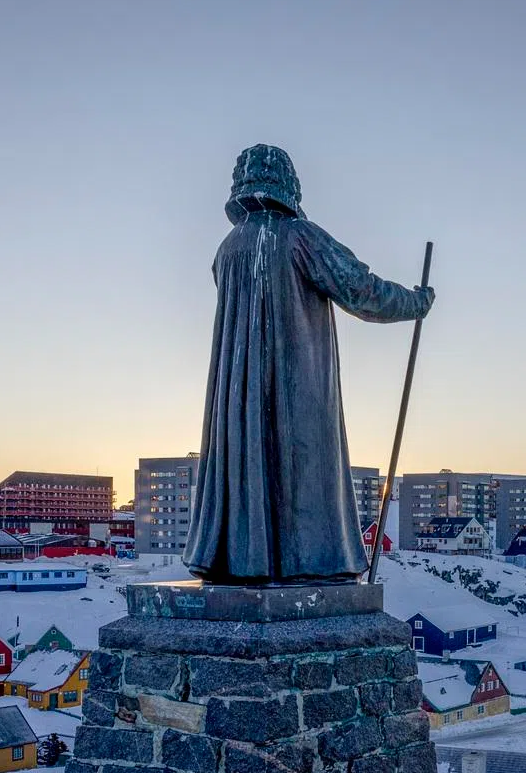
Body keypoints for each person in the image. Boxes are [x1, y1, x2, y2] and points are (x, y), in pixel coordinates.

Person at [183, 144, 433, 584]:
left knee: (251, 461)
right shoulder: (299, 235)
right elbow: (361, 289)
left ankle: (246, 560)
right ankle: (311, 562)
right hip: (295, 381)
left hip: (238, 395)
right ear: (287, 183)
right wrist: (415, 302)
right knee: (303, 467)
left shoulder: (228, 248)